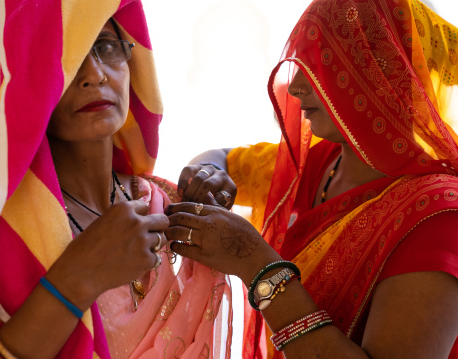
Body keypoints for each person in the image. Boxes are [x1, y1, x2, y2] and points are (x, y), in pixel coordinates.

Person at [169, 0, 458, 357]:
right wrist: (209, 173)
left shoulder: (438, 216)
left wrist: (254, 263)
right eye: (302, 60)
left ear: (383, 74)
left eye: (323, 63)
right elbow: (224, 158)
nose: (296, 87)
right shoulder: (320, 163)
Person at [0, 0, 232, 358]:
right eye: (62, 55)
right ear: (14, 89)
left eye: (105, 47)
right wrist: (76, 279)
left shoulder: (165, 203)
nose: (94, 74)